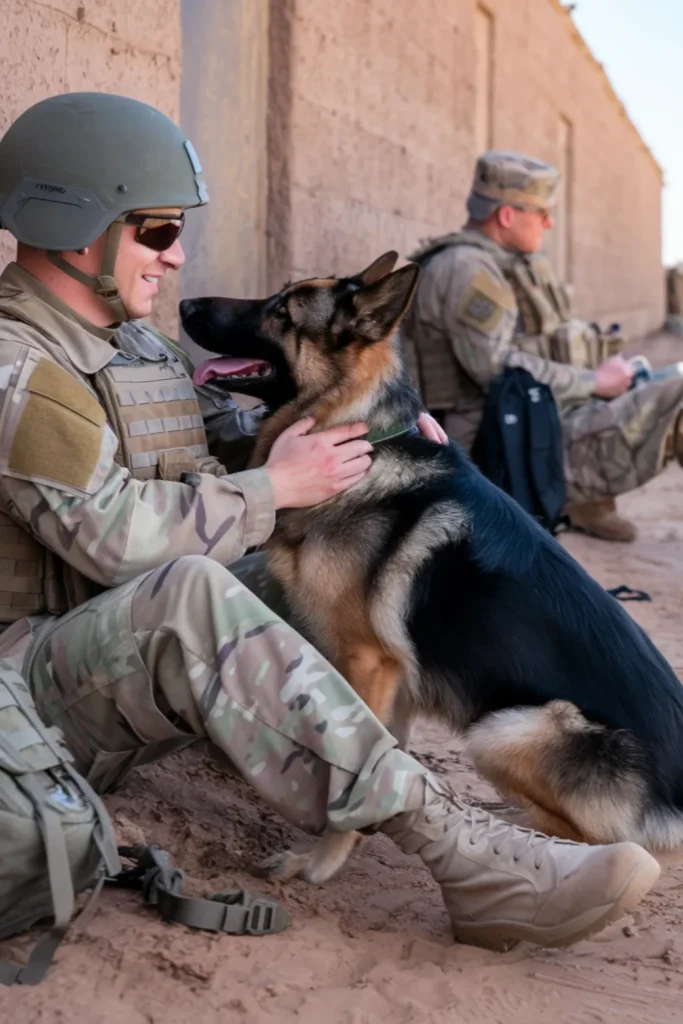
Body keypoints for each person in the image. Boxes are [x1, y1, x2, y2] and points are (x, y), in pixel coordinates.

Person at [0, 94, 660, 953]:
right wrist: (274, 487)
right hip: (32, 689)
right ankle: (472, 861)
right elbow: (118, 538)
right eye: (157, 231)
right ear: (76, 227)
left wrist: (376, 443)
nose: (179, 255)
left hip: (115, 665)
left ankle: (366, 777)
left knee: (332, 572)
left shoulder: (137, 351)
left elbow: (234, 437)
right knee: (199, 589)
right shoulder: (19, 371)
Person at [400, 150, 683, 542]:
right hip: (496, 450)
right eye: (541, 213)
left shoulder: (507, 262)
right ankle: (575, 496)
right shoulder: (466, 269)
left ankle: (587, 501)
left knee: (666, 379)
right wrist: (594, 382)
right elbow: (495, 369)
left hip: (525, 430)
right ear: (506, 215)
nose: (549, 222)